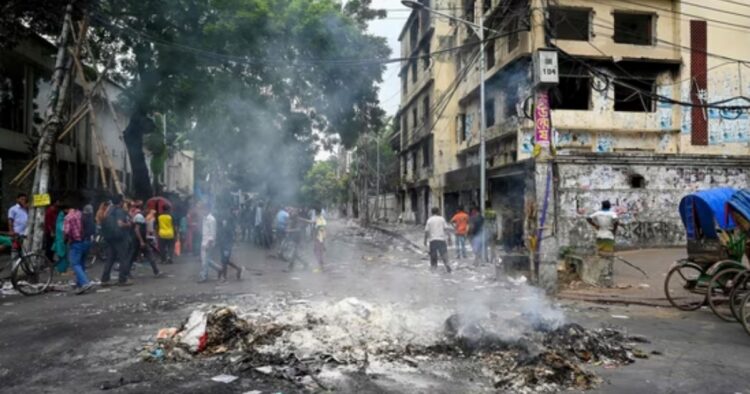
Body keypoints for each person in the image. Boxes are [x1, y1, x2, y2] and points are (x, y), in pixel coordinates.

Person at [100, 195, 134, 286]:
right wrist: (128, 224)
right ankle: (122, 279)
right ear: (121, 202)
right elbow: (120, 224)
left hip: (110, 238)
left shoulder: (109, 211)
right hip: (120, 238)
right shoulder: (120, 212)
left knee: (110, 259)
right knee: (123, 259)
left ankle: (105, 279)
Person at [63, 202, 94, 294]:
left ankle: (85, 283)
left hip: (77, 243)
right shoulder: (80, 214)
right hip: (87, 241)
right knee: (81, 263)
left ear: (66, 209)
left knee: (75, 264)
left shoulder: (68, 217)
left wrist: (65, 240)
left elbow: (67, 232)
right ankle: (80, 283)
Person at [587, 200, 619, 287]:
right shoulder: (612, 214)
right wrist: (614, 231)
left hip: (600, 234)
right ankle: (607, 272)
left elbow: (588, 218)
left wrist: (595, 225)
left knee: (600, 253)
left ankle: (599, 271)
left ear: (602, 206)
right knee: (608, 254)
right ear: (609, 206)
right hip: (608, 234)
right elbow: (616, 222)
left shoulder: (597, 213)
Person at [133, 204, 161, 277]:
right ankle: (125, 273)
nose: (148, 212)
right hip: (137, 241)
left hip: (141, 240)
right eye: (147, 210)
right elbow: (137, 229)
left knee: (149, 255)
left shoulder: (142, 217)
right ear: (144, 209)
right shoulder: (139, 217)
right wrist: (141, 241)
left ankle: (156, 271)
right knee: (132, 257)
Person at [424, 207, 452, 273]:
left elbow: (426, 231)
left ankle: (433, 270)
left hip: (433, 240)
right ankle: (447, 264)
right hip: (441, 240)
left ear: (432, 212)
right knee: (444, 253)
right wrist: (449, 238)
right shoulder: (442, 219)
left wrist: (425, 240)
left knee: (433, 256)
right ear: (438, 212)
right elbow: (446, 229)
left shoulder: (429, 220)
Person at [217, 212, 242, 281]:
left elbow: (231, 239)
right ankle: (238, 269)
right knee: (225, 261)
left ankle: (224, 276)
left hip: (226, 247)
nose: (223, 221)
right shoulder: (223, 227)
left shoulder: (229, 228)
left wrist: (227, 248)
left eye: (224, 220)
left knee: (224, 261)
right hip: (223, 246)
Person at [198, 205, 221, 282]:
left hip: (208, 243)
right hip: (204, 241)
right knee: (206, 260)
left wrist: (208, 243)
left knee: (205, 260)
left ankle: (204, 276)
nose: (201, 212)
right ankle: (219, 269)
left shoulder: (212, 219)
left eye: (202, 210)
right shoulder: (205, 218)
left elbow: (213, 233)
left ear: (207, 209)